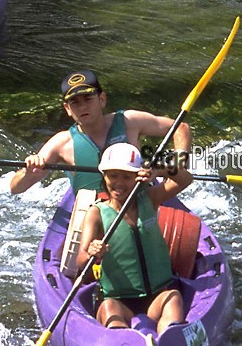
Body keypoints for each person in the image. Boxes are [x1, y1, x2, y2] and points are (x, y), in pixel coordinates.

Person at [8, 69, 192, 198]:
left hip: (138, 199)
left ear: (102, 99)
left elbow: (180, 127)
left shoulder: (130, 121)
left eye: (88, 99)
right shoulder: (61, 143)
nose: (83, 107)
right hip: (91, 212)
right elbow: (16, 188)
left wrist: (177, 161)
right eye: (75, 103)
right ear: (67, 108)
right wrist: (29, 173)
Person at [76, 143, 186, 335]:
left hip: (157, 294)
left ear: (138, 177)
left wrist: (158, 171)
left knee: (174, 297)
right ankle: (121, 343)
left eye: (127, 176)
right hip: (118, 299)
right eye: (113, 176)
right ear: (104, 177)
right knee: (109, 308)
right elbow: (80, 259)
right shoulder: (96, 213)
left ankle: (169, 340)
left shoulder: (150, 198)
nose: (119, 183)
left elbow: (185, 179)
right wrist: (92, 252)